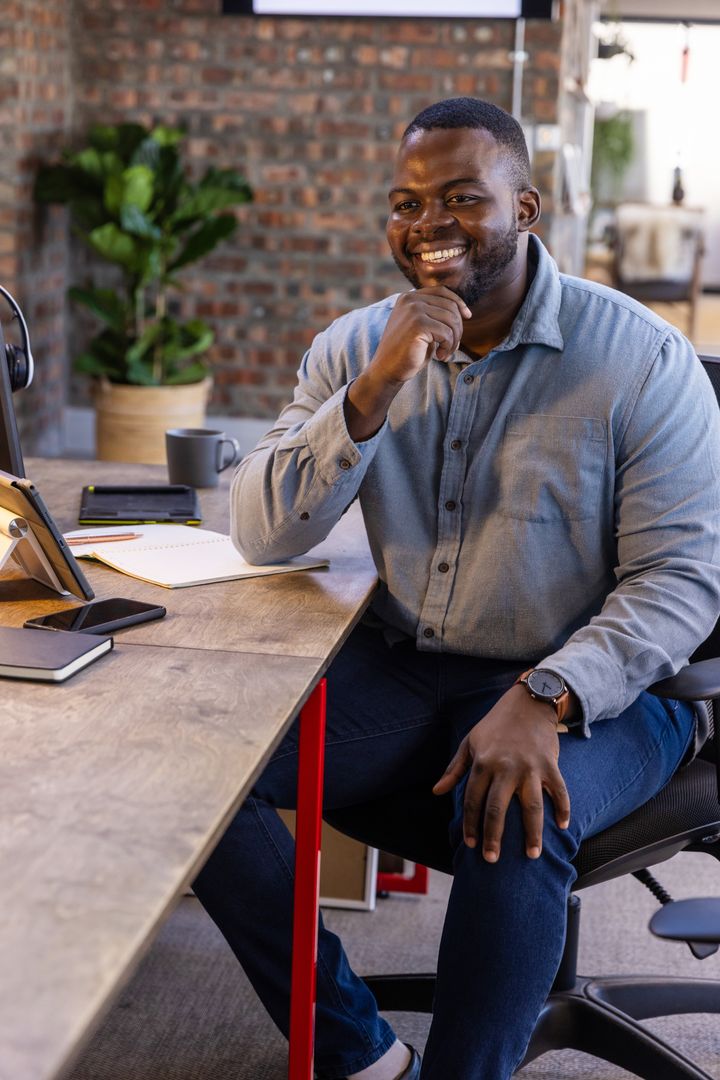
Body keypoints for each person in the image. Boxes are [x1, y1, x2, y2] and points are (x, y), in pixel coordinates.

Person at [192, 98, 720, 1080]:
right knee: (200, 774)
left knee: (517, 801)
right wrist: (372, 392)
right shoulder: (356, 348)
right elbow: (262, 533)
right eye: (407, 203)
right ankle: (360, 1053)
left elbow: (681, 582)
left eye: (462, 198)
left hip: (610, 689)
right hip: (412, 667)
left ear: (526, 208)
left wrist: (547, 695)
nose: (429, 223)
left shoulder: (640, 358)